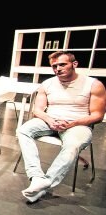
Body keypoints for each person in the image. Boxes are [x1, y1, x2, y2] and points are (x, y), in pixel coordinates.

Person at [17, 51, 106, 203]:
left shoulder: (93, 85)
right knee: (23, 130)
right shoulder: (47, 84)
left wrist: (73, 123)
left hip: (78, 124)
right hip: (50, 121)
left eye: (62, 64)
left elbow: (97, 115)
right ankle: (37, 177)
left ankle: (45, 183)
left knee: (73, 145)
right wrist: (50, 120)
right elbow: (37, 110)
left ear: (74, 64)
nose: (58, 68)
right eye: (54, 66)